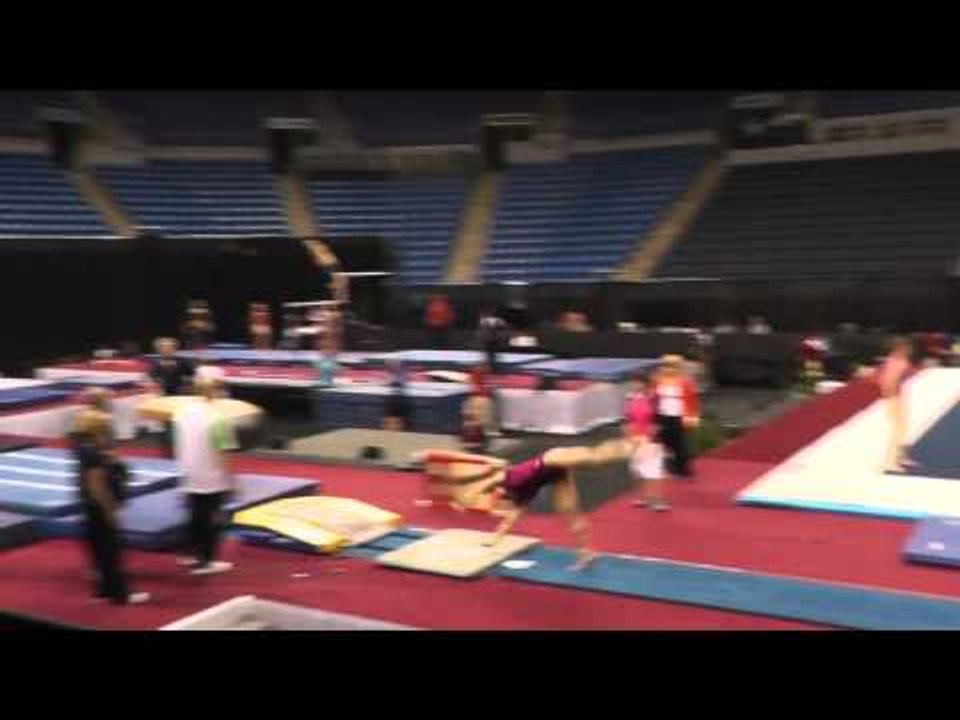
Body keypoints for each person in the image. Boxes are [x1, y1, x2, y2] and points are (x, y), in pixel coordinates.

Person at [416, 438, 635, 571]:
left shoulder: (505, 477)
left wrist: (465, 499)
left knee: (593, 459)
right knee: (569, 513)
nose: (499, 494)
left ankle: (628, 445)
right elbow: (510, 519)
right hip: (555, 476)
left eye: (498, 493)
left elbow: (482, 486)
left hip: (551, 459)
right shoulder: (522, 497)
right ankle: (586, 552)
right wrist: (494, 540)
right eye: (500, 496)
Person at [70, 390, 149, 605]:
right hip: (98, 507)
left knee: (98, 550)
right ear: (98, 430)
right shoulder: (93, 453)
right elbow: (97, 486)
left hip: (88, 506)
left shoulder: (84, 445)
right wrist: (110, 509)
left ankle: (103, 591)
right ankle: (121, 594)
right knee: (110, 551)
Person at [173, 377, 241, 576]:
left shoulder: (181, 413)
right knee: (212, 518)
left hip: (188, 472)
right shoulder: (217, 418)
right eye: (221, 391)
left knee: (194, 516)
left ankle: (189, 554)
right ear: (214, 393)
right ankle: (206, 561)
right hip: (211, 476)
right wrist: (232, 480)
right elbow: (223, 453)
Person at [624, 372, 670, 511]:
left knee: (654, 471)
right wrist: (628, 436)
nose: (634, 385)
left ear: (645, 384)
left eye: (638, 382)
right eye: (633, 383)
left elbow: (660, 421)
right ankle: (642, 497)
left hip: (652, 441)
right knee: (637, 471)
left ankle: (657, 501)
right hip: (634, 440)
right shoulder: (630, 398)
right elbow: (627, 419)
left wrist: (649, 437)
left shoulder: (655, 399)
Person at [651, 354, 700, 479]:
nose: (668, 370)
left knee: (679, 444)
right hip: (661, 416)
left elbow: (692, 401)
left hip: (678, 416)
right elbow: (653, 399)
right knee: (661, 443)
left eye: (672, 367)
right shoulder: (657, 381)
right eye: (665, 366)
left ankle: (683, 470)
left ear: (678, 368)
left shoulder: (685, 382)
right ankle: (666, 467)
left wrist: (692, 416)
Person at [148, 338, 195, 457]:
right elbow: (150, 378)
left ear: (174, 349)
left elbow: (194, 374)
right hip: (164, 398)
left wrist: (188, 384)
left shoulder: (183, 361)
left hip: (180, 398)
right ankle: (168, 451)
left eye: (170, 347)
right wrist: (156, 388)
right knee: (167, 425)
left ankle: (184, 448)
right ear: (159, 350)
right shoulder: (155, 363)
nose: (167, 349)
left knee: (180, 423)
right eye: (164, 347)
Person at [877, 336, 915, 473]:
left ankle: (900, 457)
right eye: (908, 348)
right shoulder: (894, 361)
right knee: (897, 430)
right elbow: (886, 381)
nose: (911, 351)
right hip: (893, 397)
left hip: (899, 395)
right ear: (901, 348)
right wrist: (891, 396)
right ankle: (889, 462)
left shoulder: (901, 359)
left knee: (903, 427)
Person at [383, 359, 410, 432]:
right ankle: (389, 429)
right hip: (395, 397)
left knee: (397, 418)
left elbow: (390, 364)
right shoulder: (395, 374)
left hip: (398, 397)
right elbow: (388, 364)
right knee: (391, 417)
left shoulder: (402, 373)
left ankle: (398, 429)